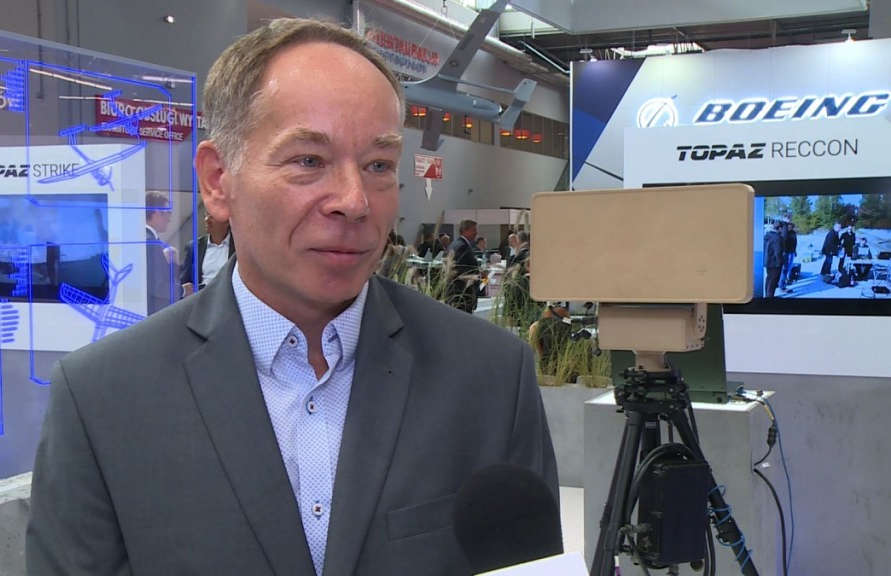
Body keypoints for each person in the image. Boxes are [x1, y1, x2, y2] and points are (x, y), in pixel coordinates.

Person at [27, 18, 559, 576]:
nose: (354, 201)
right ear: (217, 180)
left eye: (378, 165)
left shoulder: (490, 379)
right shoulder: (102, 400)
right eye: (309, 161)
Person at [144, 191, 190, 314]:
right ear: (157, 212)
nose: (169, 220)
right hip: (154, 313)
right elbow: (157, 287)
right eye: (168, 213)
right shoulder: (150, 243)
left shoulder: (146, 239)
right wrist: (183, 290)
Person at [179, 209, 234, 290]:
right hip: (202, 295)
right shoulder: (194, 247)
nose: (207, 220)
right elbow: (185, 281)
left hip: (228, 295)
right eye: (206, 215)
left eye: (213, 216)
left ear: (227, 222)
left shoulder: (238, 247)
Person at [444, 219, 482, 313]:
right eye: (474, 230)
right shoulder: (462, 246)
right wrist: (478, 274)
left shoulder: (455, 244)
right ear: (465, 231)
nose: (476, 233)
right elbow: (462, 271)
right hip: (462, 295)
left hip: (456, 294)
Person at [763, 221, 784, 298]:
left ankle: (767, 296)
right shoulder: (777, 237)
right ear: (780, 228)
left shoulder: (768, 235)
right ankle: (770, 297)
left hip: (768, 261)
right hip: (775, 263)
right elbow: (778, 251)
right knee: (773, 280)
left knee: (769, 278)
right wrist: (780, 261)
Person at [778, 220, 797, 292]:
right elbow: (783, 243)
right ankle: (782, 284)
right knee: (784, 268)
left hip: (792, 252)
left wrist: (794, 251)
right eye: (788, 225)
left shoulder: (793, 233)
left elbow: (794, 242)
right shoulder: (784, 233)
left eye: (791, 225)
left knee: (789, 267)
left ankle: (787, 279)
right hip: (786, 253)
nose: (790, 226)